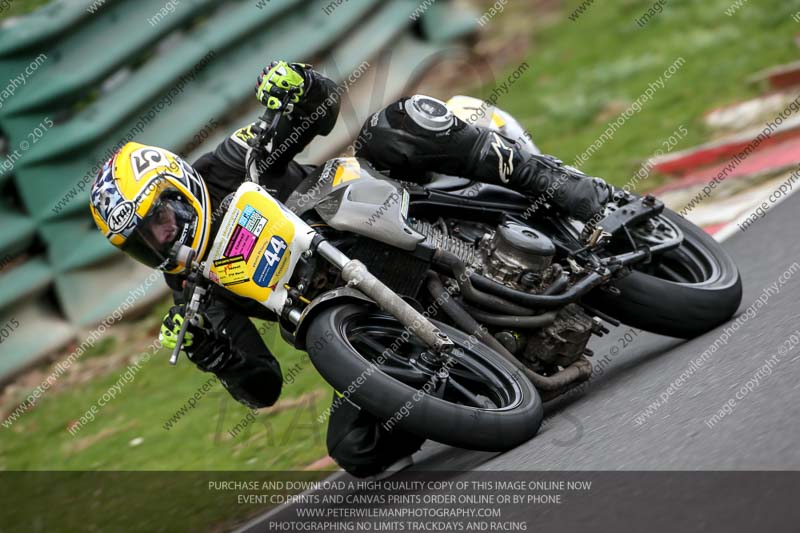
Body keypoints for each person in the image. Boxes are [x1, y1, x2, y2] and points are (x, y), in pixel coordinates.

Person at [89, 60, 613, 477]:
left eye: (159, 221)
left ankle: (557, 184)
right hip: (370, 320)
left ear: (177, 188)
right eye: (143, 244)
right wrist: (217, 357)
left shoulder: (227, 163)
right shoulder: (192, 290)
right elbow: (264, 386)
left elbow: (319, 111)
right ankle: (478, 383)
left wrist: (299, 86)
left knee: (393, 126)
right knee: (355, 448)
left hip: (382, 213)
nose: (163, 240)